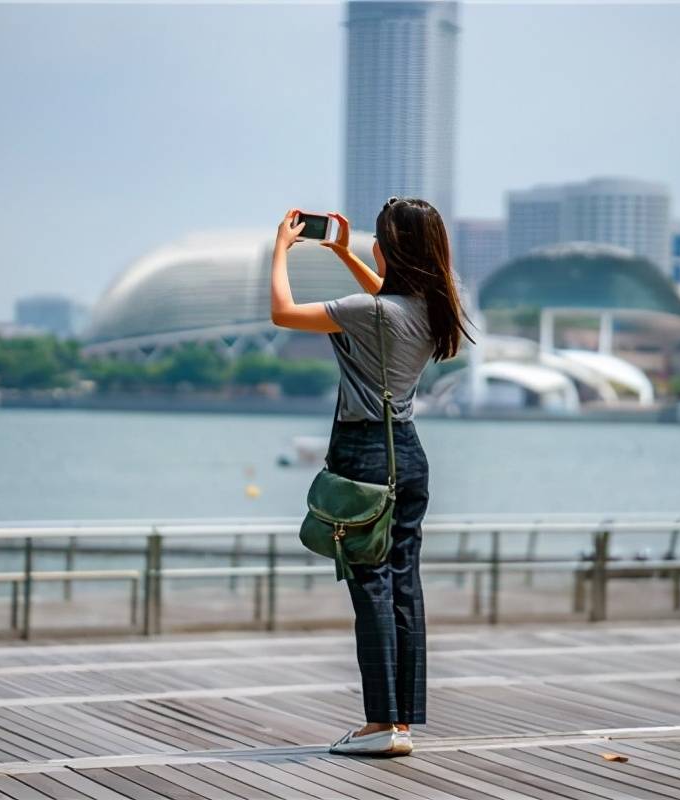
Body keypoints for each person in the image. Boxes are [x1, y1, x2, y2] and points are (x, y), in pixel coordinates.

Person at [269, 197, 477, 756]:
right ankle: (401, 723)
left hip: (365, 453)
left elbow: (283, 314)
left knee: (371, 589)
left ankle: (381, 725)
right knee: (404, 585)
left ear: (389, 248)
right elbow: (385, 296)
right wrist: (342, 252)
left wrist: (281, 251)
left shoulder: (373, 312)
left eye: (377, 240)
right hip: (409, 454)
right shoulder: (434, 309)